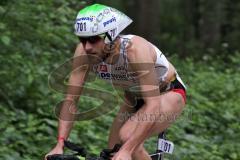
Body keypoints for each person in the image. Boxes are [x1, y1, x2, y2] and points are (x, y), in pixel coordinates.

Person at [45, 3, 187, 160]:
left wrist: (127, 150)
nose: (87, 47)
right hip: (133, 98)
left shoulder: (135, 50)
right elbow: (71, 99)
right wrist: (60, 144)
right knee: (113, 152)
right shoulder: (83, 53)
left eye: (93, 39)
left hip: (168, 92)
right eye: (83, 40)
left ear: (110, 35)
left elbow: (152, 105)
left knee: (128, 140)